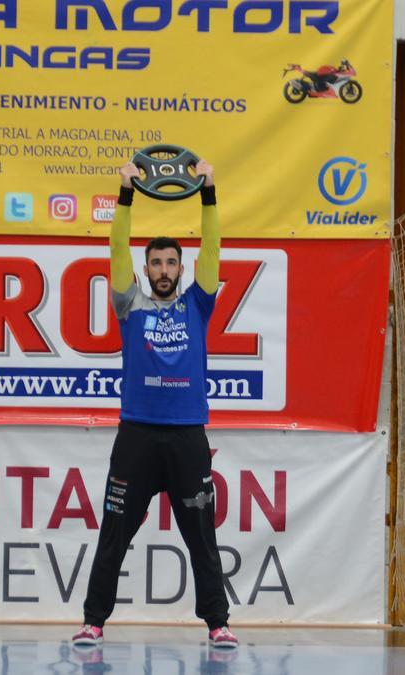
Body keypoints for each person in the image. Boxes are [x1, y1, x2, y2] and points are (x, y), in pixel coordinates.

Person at [71, 160, 238, 650]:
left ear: (181, 269)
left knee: (202, 540)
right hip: (137, 437)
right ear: (145, 270)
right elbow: (115, 247)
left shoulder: (197, 303)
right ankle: (93, 621)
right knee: (113, 536)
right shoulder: (130, 305)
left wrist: (208, 191)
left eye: (171, 263)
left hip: (188, 437)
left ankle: (218, 623)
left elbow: (213, 247)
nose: (163, 270)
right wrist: (126, 195)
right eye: (156, 264)